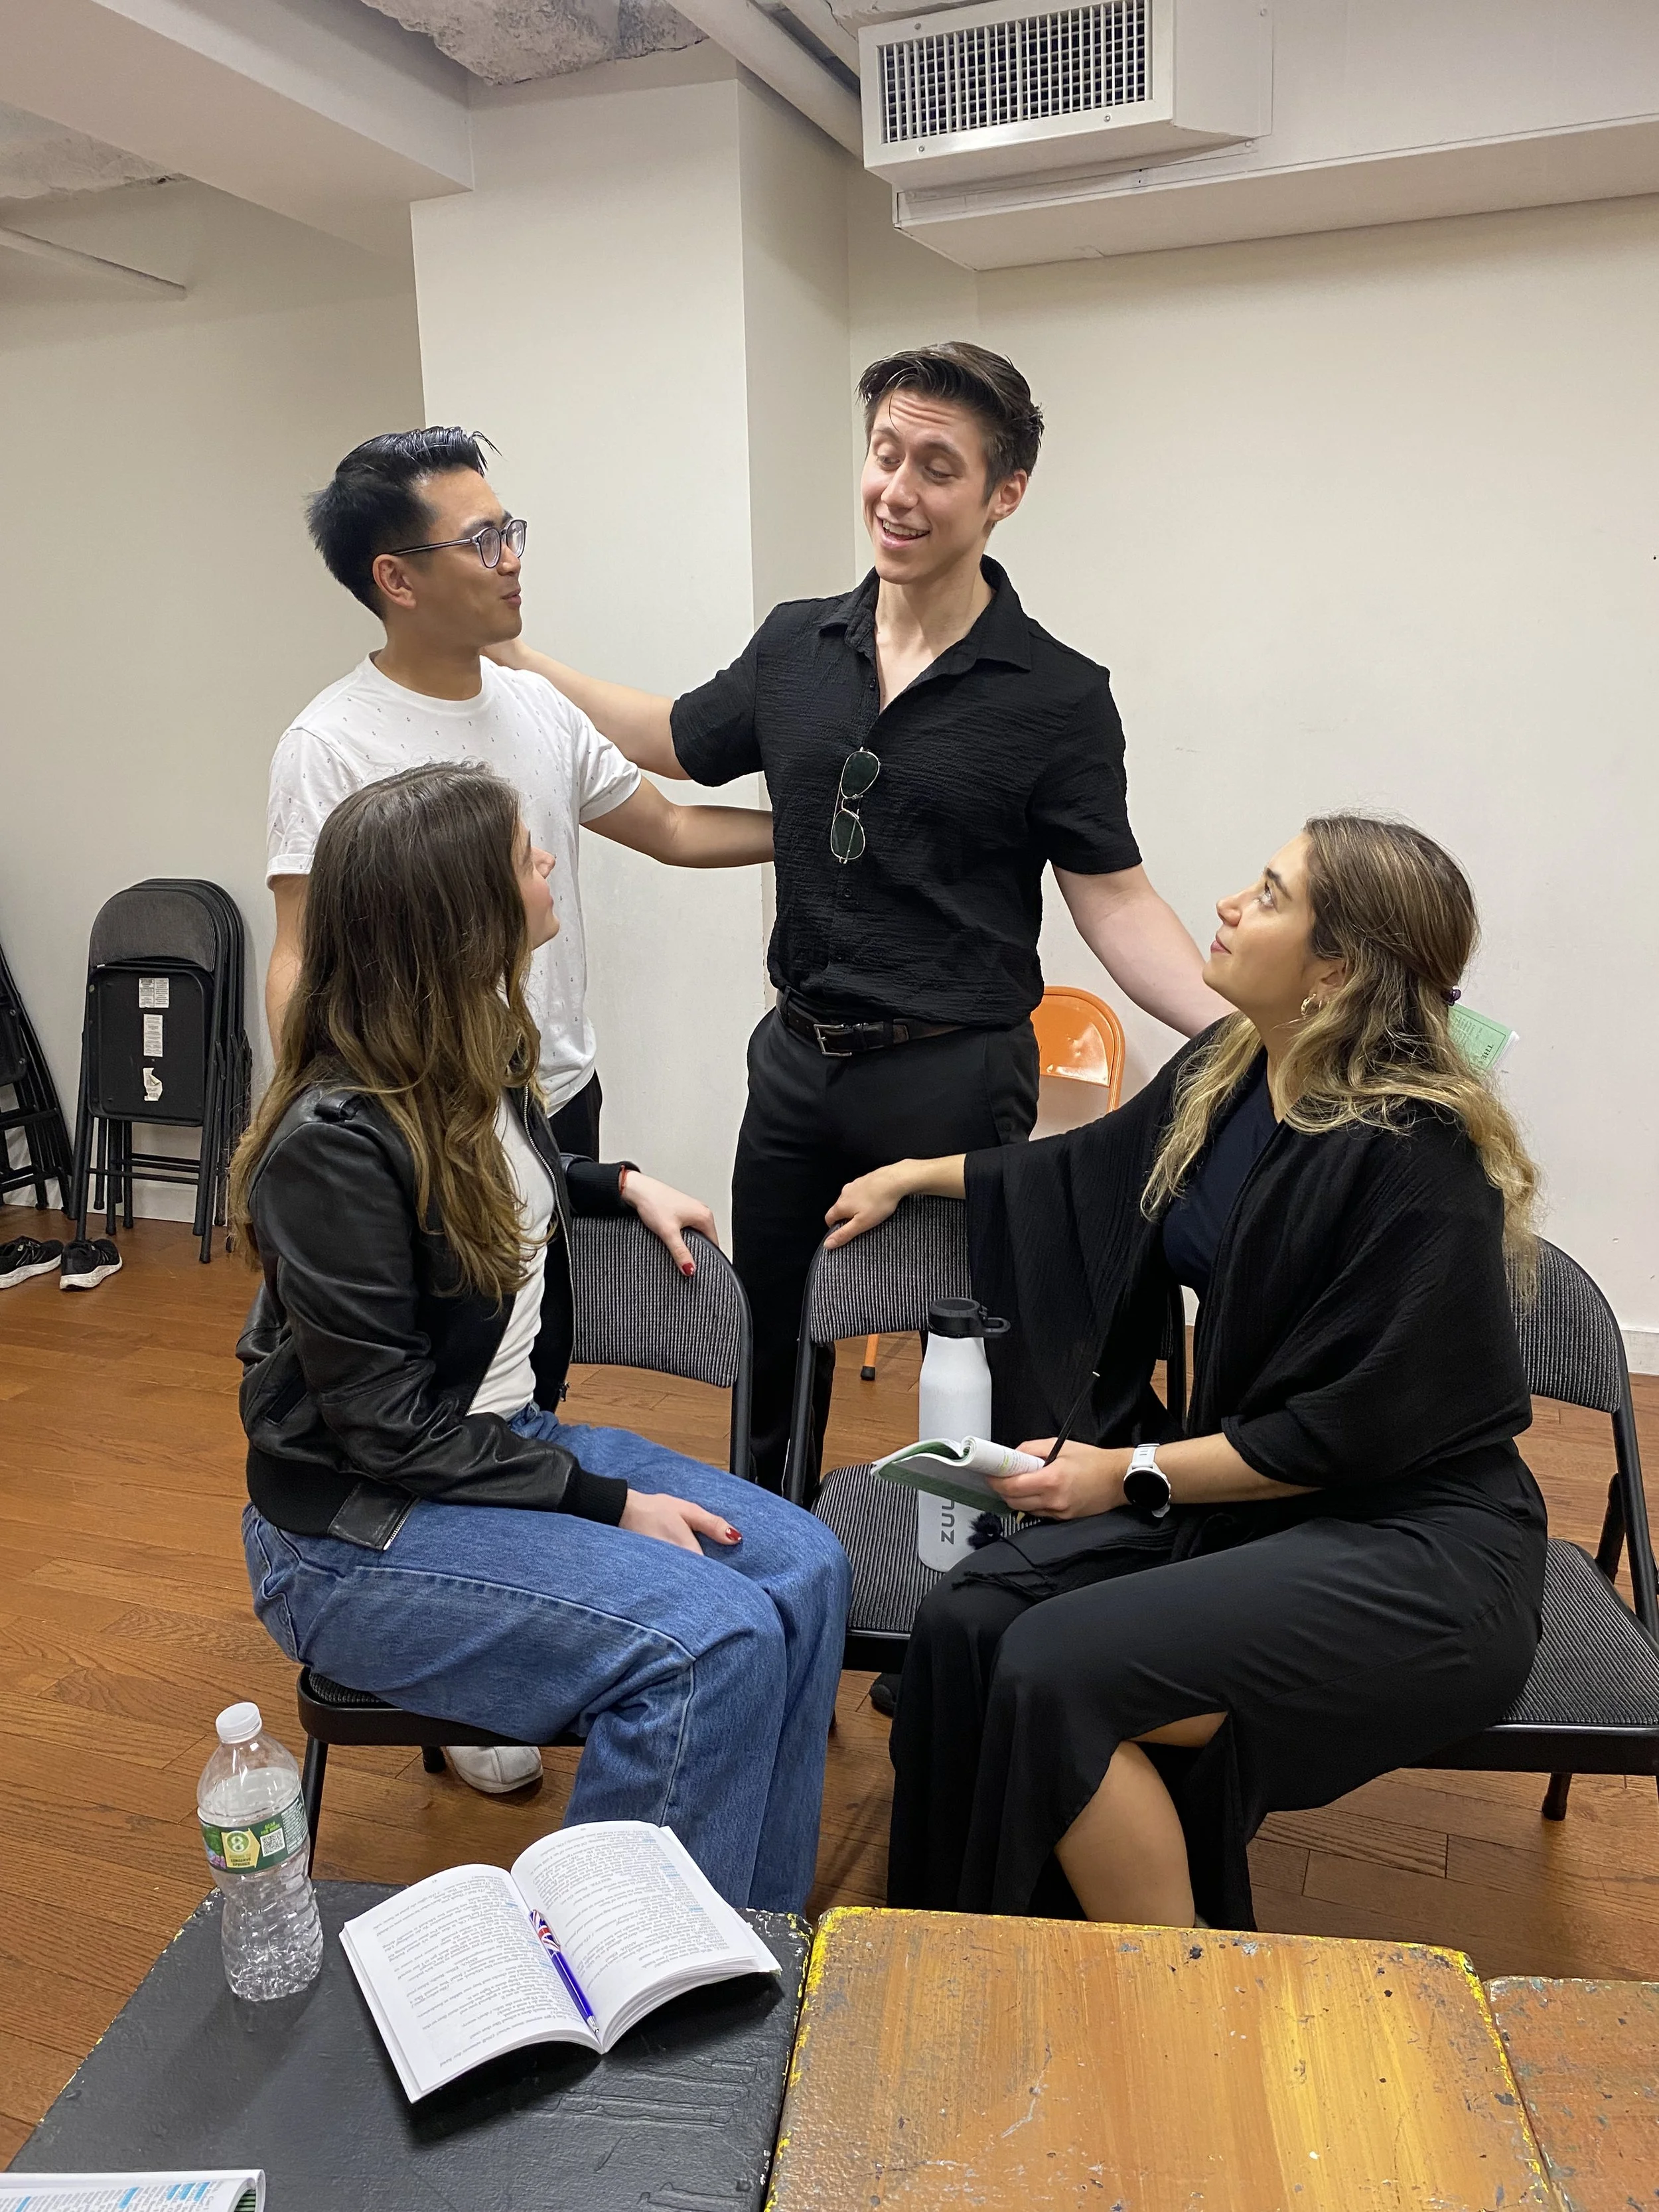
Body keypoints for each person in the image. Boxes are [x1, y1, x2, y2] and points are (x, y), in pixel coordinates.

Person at [494, 343, 1229, 1497]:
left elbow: (1117, 896)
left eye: (938, 465)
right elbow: (674, 737)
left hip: (956, 1074)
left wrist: (1240, 1028)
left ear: (1004, 494)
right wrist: (513, 658)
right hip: (796, 1064)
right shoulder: (799, 644)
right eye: (886, 453)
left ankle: (956, 1582)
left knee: (966, 1353)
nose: (899, 488)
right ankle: (779, 1549)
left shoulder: (1057, 694)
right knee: (773, 1337)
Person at [823, 814, 1546, 1931]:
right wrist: (920, 1170)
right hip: (1263, 1502)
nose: (1227, 904)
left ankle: (1188, 2007)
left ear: (1336, 967)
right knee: (970, 1619)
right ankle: (964, 1947)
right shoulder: (1236, 1066)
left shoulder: (1413, 1157)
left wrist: (1125, 1471)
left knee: (1063, 1669)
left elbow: (1340, 1437)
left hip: (1419, 1551)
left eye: (1268, 893)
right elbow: (1085, 1172)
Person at [232, 761, 849, 1903]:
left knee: (809, 1568)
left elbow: (483, 1184)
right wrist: (609, 1502)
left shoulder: (476, 1054)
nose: (550, 860)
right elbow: (389, 1434)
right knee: (705, 1641)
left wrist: (611, 1178)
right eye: (527, 852)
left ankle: (746, 1953)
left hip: (493, 1443)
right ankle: (620, 1981)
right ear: (460, 911)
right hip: (356, 1529)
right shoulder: (328, 1144)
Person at [267, 425, 774, 1171]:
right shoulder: (330, 743)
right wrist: (312, 1129)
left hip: (562, 1094)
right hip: (426, 1118)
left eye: (509, 533)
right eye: (481, 542)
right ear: (396, 581)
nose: (510, 560)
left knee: (563, 1290)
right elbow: (299, 954)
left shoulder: (538, 706)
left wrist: (820, 829)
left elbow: (670, 828)